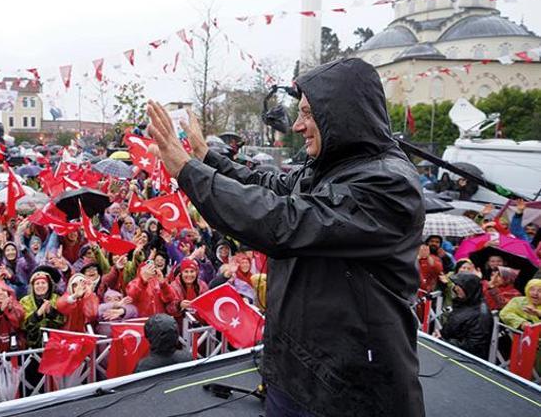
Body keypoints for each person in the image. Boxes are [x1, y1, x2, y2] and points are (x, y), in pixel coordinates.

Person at [146, 58, 425, 416]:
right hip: (296, 371)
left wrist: (187, 170)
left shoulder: (387, 185)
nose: (297, 125)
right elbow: (268, 186)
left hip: (348, 391)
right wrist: (203, 156)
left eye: (307, 113)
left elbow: (282, 220)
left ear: (339, 114)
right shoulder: (330, 168)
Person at [439, 273, 493, 359]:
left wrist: (444, 341)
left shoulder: (481, 315)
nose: (455, 288)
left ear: (469, 288)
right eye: (455, 285)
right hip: (449, 351)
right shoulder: (462, 302)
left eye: (459, 286)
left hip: (464, 360)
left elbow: (474, 346)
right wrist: (441, 335)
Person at [20, 270, 64, 348]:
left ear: (49, 285)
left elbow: (63, 321)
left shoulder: (57, 298)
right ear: (33, 286)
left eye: (43, 283)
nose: (40, 286)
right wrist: (38, 314)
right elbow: (23, 325)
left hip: (55, 343)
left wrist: (51, 312)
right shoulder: (25, 301)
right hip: (32, 345)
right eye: (37, 283)